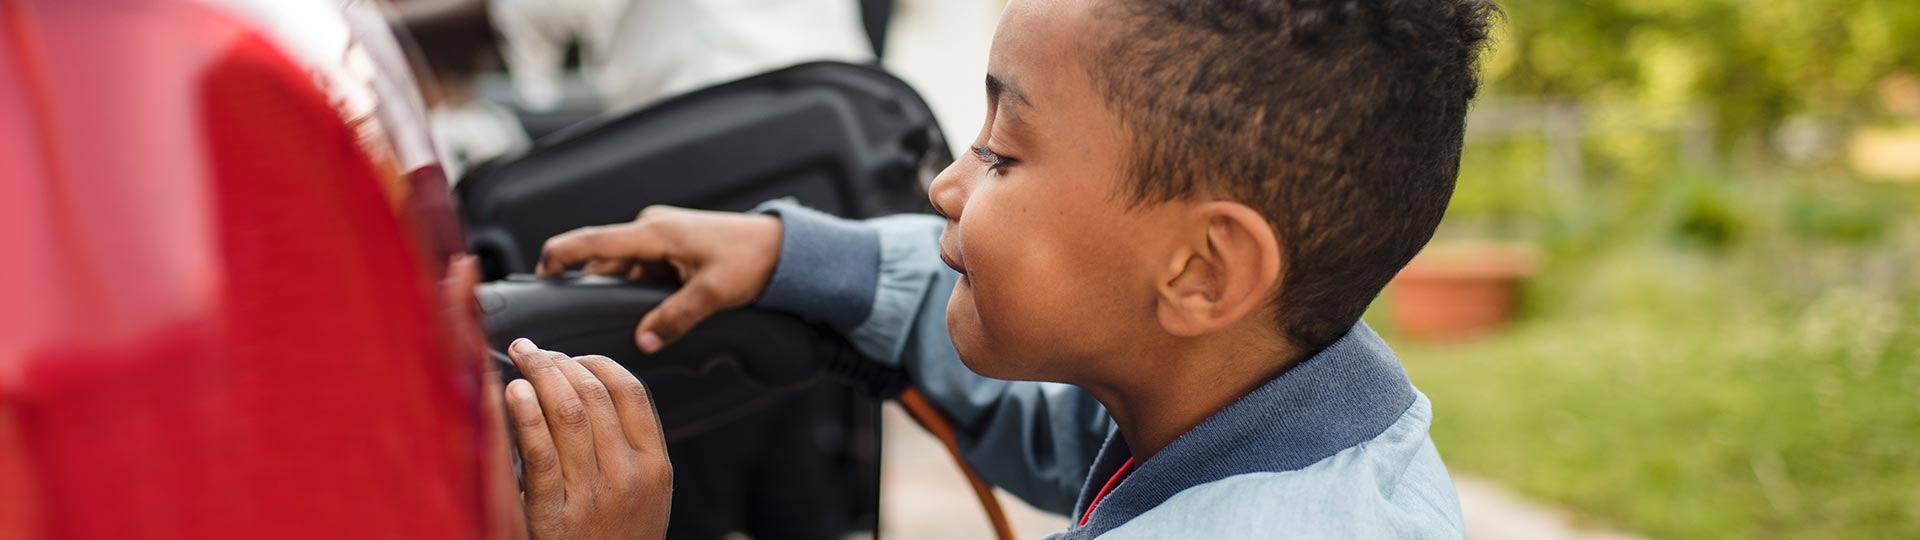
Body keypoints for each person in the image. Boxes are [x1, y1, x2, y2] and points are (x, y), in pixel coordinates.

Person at [496, 0, 1498, 537]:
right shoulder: (1248, 391)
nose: (944, 183)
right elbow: (1047, 420)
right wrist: (799, 255)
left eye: (1004, 154)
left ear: (1203, 269)